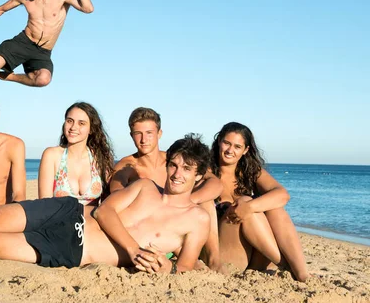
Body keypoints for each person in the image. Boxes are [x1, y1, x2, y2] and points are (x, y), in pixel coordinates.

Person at [0, 134, 211, 274]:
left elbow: (182, 269)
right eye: (174, 165)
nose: (177, 173)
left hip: (74, 252)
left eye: (187, 169)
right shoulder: (147, 188)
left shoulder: (196, 220)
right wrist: (134, 249)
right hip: (69, 212)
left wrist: (164, 268)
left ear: (198, 177)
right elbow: (105, 210)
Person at [109, 108, 224, 271]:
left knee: (205, 200)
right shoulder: (126, 167)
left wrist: (186, 203)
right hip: (149, 234)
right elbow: (117, 200)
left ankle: (214, 260)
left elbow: (216, 184)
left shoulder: (175, 160)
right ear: (131, 135)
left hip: (180, 225)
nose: (144, 140)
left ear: (159, 133)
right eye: (138, 133)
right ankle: (184, 257)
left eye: (149, 132)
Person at [211, 122, 309, 281]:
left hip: (258, 259)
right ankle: (285, 264)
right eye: (227, 143)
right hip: (229, 255)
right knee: (244, 202)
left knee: (272, 207)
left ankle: (302, 272)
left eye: (237, 146)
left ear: (245, 150)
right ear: (219, 142)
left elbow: (283, 195)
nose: (230, 150)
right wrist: (245, 205)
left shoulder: (250, 172)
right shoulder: (207, 172)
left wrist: (249, 206)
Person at [38, 102, 114, 206]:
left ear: (91, 129)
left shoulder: (100, 157)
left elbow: (108, 203)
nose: (73, 127)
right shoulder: (52, 155)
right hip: (60, 220)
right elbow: (44, 203)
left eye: (81, 123)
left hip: (92, 220)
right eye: (70, 121)